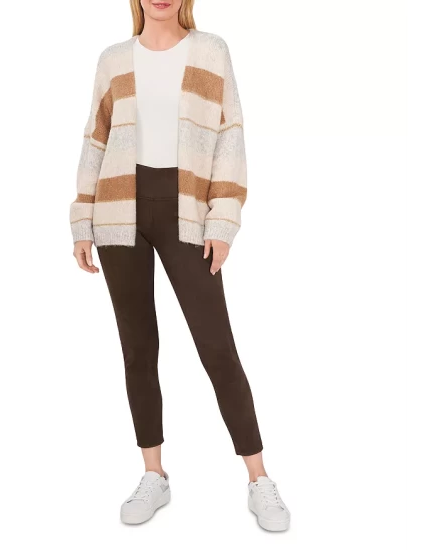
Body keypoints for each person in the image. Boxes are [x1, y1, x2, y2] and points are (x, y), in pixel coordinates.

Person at [70, 0, 290, 532]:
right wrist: (82, 218)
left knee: (217, 347)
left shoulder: (211, 51)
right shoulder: (113, 58)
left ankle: (259, 478)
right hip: (118, 210)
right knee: (138, 348)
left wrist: (223, 219)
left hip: (186, 210)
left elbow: (230, 135)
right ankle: (154, 473)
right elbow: (95, 139)